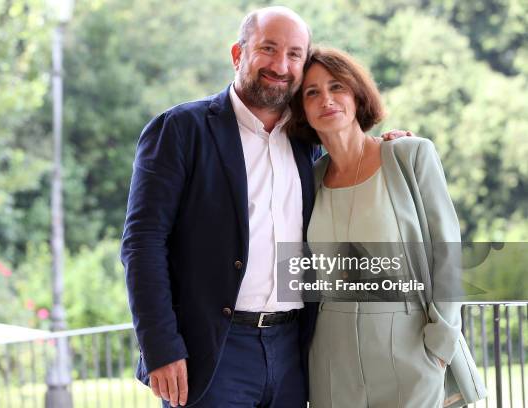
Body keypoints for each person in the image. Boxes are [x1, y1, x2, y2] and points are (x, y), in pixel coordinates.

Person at [121, 7, 408, 407]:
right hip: (212, 354)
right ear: (238, 54)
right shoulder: (181, 130)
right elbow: (142, 244)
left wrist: (390, 149)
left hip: (294, 350)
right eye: (268, 49)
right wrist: (160, 347)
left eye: (294, 54)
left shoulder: (309, 141)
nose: (281, 65)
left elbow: (354, 170)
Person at [286, 46, 486, 408]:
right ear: (301, 109)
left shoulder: (409, 155)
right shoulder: (309, 178)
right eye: (311, 92)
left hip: (410, 346)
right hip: (330, 356)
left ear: (357, 95)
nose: (325, 99)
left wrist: (440, 342)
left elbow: (448, 250)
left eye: (336, 87)